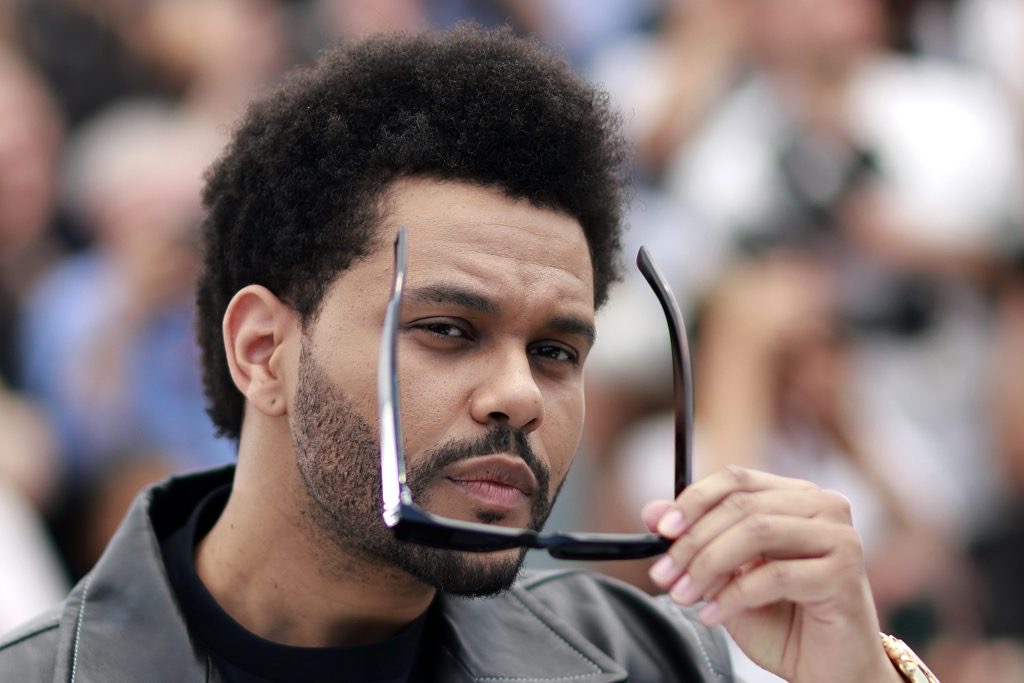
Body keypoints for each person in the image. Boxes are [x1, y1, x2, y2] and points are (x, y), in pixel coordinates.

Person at [0, 25, 933, 682]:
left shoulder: (652, 661)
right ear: (263, 349)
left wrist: (854, 675)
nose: (520, 394)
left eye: (558, 350)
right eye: (448, 329)